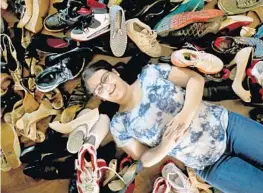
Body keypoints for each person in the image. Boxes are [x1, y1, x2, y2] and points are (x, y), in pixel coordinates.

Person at [82, 60, 263, 193]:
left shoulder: (150, 73)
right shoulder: (119, 125)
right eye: (99, 89)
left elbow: (195, 80)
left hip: (228, 127)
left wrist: (185, 115)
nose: (107, 87)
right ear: (101, 97)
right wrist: (165, 146)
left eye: (105, 78)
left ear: (115, 72)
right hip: (209, 165)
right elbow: (144, 159)